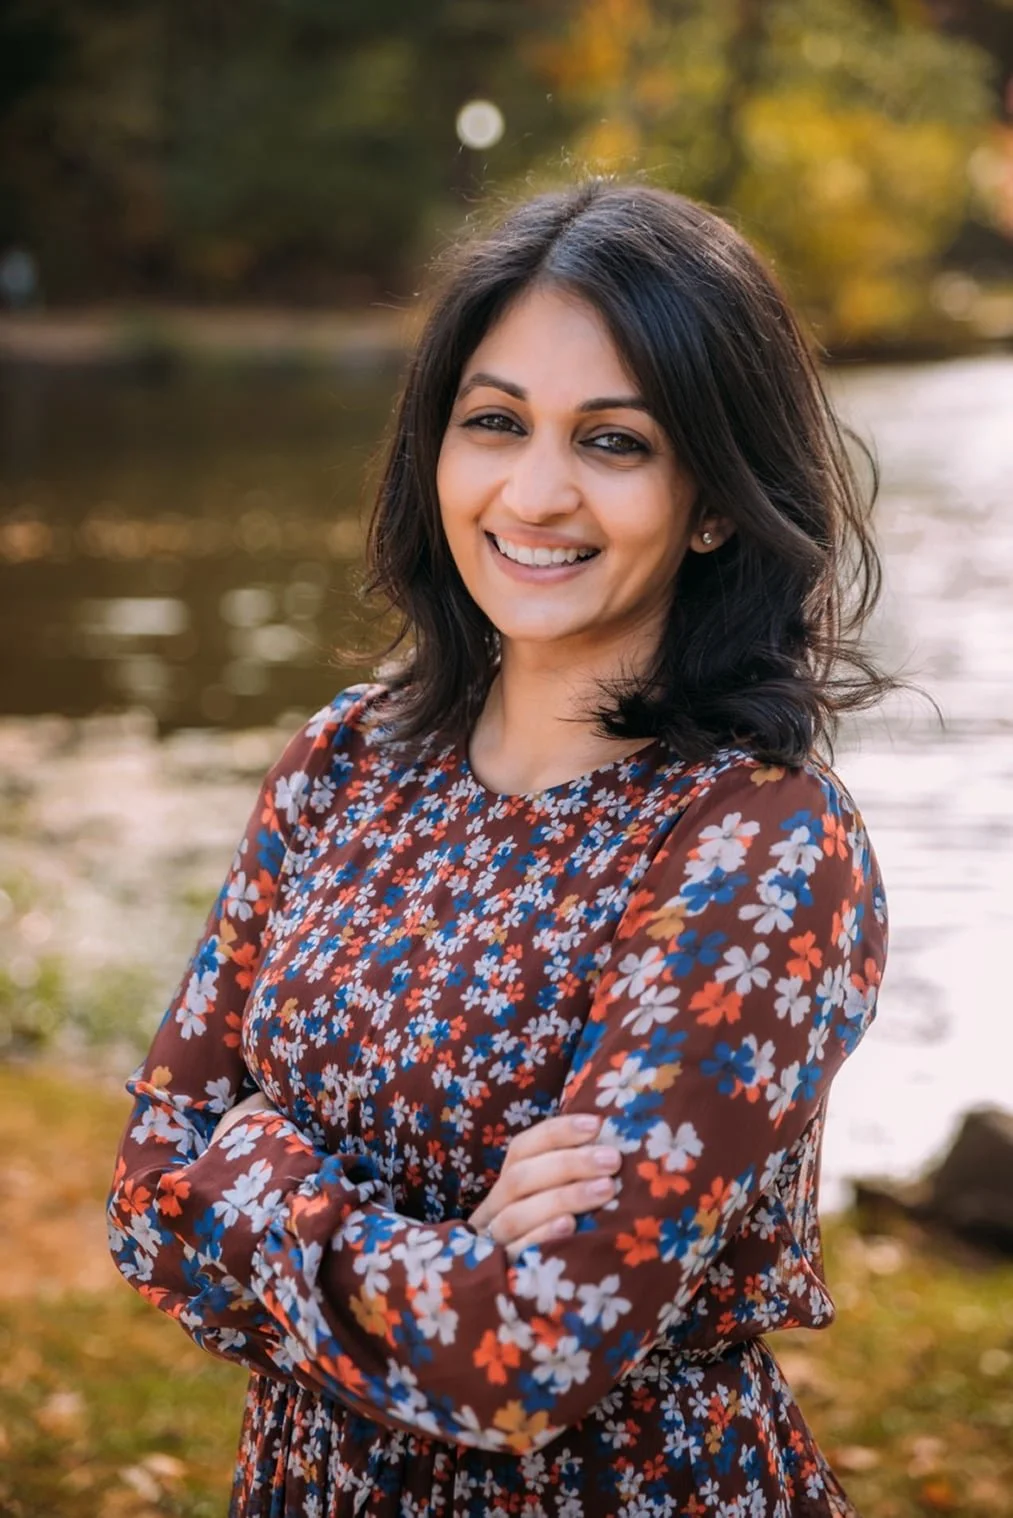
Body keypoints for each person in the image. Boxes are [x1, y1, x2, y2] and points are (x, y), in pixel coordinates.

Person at [107, 179, 891, 1517]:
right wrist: (442, 1250)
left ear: (713, 498)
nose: (535, 492)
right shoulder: (346, 759)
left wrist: (250, 1172)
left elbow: (525, 1355)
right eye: (495, 423)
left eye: (616, 442)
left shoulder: (758, 846)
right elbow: (142, 1193)